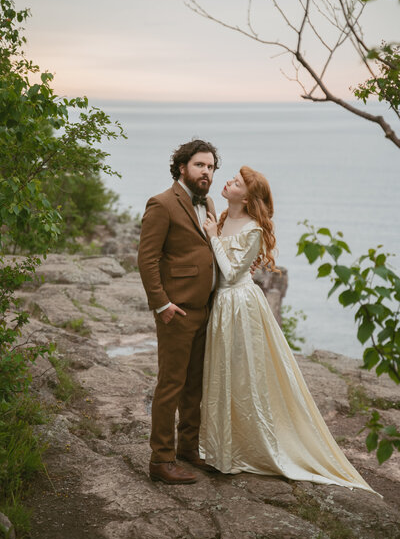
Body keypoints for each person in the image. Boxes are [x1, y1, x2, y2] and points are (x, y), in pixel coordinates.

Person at [200, 165, 376, 494]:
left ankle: (246, 445)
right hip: (221, 306)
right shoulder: (221, 216)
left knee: (244, 376)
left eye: (236, 182)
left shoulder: (252, 229)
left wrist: (212, 238)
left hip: (239, 305)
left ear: (249, 197)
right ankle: (220, 445)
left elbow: (233, 272)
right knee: (222, 373)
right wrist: (213, 226)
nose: (228, 182)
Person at [138, 139, 220, 485]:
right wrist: (161, 304)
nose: (207, 172)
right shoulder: (161, 203)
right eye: (200, 165)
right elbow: (147, 258)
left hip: (206, 308)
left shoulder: (210, 203)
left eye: (212, 167)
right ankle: (161, 460)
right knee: (170, 385)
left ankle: (189, 449)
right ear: (182, 167)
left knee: (195, 386)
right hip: (176, 311)